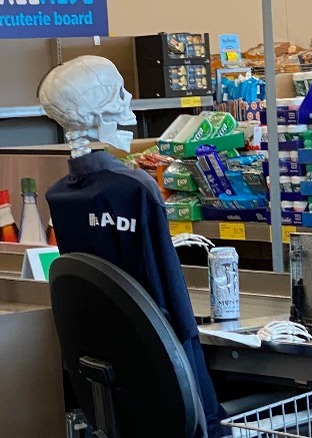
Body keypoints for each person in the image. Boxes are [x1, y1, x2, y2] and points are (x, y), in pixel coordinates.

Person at [39, 55, 226, 438]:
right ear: (96, 111)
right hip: (172, 382)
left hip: (124, 384)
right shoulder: (135, 188)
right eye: (118, 93)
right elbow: (172, 302)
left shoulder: (61, 197)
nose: (128, 101)